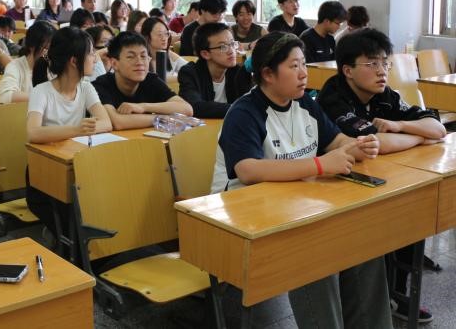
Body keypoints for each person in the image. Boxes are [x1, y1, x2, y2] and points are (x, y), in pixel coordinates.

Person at [210, 31, 392, 329]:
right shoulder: (244, 112)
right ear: (268, 74)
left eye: (304, 64)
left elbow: (335, 141)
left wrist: (356, 146)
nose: (304, 73)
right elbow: (248, 170)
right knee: (315, 255)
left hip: (292, 207)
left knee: (364, 244)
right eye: (294, 66)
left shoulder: (304, 103)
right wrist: (320, 165)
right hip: (243, 219)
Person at [317, 28, 446, 324]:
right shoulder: (333, 97)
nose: (382, 71)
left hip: (382, 176)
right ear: (347, 70)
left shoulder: (385, 94)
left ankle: (397, 294)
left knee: (412, 213)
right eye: (372, 63)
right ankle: (378, 297)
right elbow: (373, 144)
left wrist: (400, 127)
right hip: (337, 186)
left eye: (385, 63)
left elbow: (438, 128)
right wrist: (418, 136)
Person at [26, 27, 112, 236]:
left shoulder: (85, 87)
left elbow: (106, 123)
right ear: (74, 61)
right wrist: (77, 129)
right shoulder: (42, 91)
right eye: (91, 53)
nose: (95, 58)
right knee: (75, 217)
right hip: (45, 171)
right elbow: (33, 133)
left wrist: (82, 130)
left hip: (76, 163)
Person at [92, 32, 192, 130]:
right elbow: (118, 122)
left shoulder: (150, 79)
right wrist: (164, 118)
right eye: (131, 57)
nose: (139, 62)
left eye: (143, 56)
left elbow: (186, 109)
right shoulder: (101, 85)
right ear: (114, 64)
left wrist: (143, 107)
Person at [178, 23, 252, 118]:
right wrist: (238, 109)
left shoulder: (237, 72)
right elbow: (194, 106)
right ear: (205, 54)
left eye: (232, 44)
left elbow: (250, 102)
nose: (231, 51)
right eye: (223, 47)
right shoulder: (190, 72)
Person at [0, 21, 55, 104]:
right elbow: (5, 96)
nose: (50, 53)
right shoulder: (15, 66)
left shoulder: (53, 66)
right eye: (46, 48)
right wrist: (43, 97)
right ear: (32, 46)